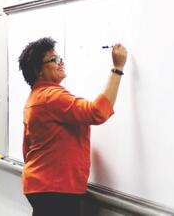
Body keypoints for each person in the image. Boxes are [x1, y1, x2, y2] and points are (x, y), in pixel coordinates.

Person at [18, 37, 127, 216]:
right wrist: (118, 68)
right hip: (55, 189)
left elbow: (27, 148)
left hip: (44, 187)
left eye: (59, 58)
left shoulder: (36, 98)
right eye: (54, 60)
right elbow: (96, 112)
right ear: (39, 70)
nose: (61, 63)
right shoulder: (50, 96)